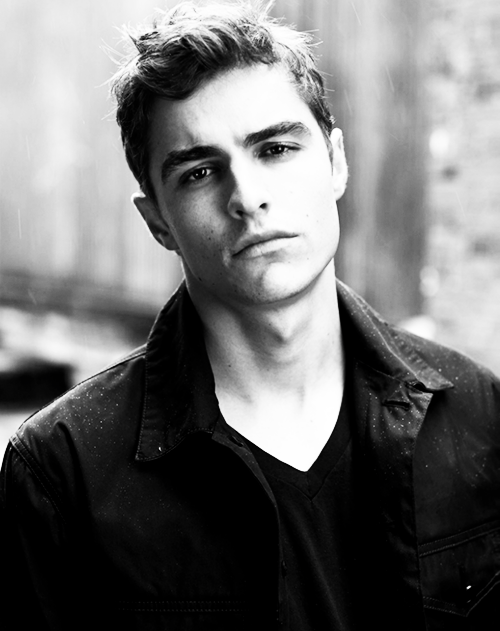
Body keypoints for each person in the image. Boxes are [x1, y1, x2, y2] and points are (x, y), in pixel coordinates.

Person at [1, 2, 500, 629]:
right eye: (200, 172)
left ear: (336, 163)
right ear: (157, 221)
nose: (248, 197)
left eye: (277, 148)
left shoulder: (476, 414)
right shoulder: (63, 471)